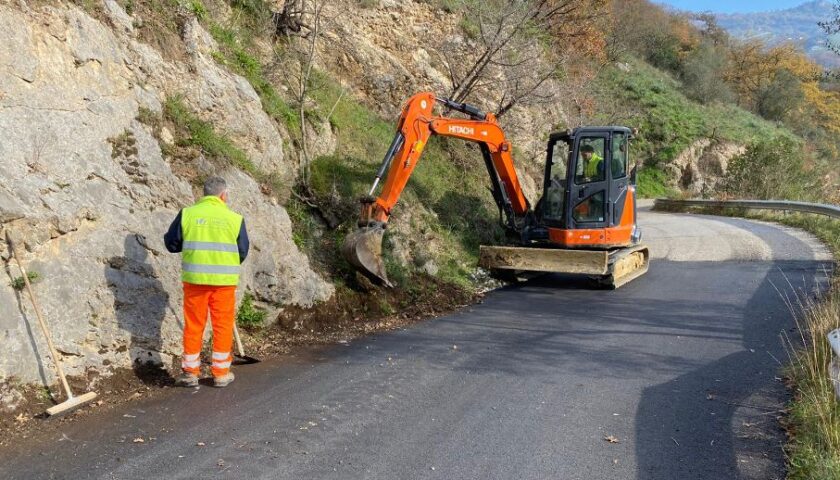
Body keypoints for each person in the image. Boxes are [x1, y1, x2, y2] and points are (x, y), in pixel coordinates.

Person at [164, 177, 249, 388]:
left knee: (194, 326)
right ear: (223, 195)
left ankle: (190, 373)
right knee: (222, 326)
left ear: (204, 194)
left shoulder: (188, 214)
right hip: (224, 283)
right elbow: (242, 251)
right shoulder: (234, 218)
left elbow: (171, 244)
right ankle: (220, 373)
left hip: (195, 282)